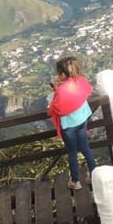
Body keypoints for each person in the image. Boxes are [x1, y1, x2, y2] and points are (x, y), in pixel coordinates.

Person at [48, 56, 97, 190]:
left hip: (69, 125)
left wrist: (56, 92)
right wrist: (60, 88)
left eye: (59, 73)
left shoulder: (62, 90)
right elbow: (78, 95)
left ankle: (75, 181)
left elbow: (57, 108)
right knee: (85, 148)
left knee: (72, 152)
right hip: (82, 120)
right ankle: (94, 175)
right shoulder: (80, 81)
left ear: (63, 74)